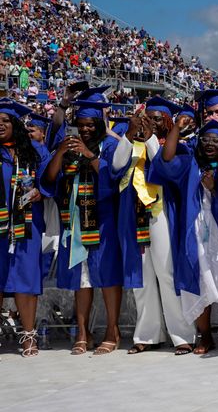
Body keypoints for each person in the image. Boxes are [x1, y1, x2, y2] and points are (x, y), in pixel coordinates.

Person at [153, 116, 218, 355]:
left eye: (217, 140)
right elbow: (166, 159)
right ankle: (205, 336)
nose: (210, 144)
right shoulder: (189, 165)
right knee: (199, 280)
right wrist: (176, 128)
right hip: (195, 231)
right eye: (206, 139)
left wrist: (214, 187)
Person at [113, 96, 196, 355]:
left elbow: (164, 168)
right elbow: (116, 166)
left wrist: (150, 138)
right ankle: (147, 334)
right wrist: (129, 135)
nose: (152, 122)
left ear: (168, 122)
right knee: (142, 275)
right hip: (133, 214)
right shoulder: (133, 143)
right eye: (148, 118)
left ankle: (182, 334)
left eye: (158, 119)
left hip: (162, 213)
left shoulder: (179, 147)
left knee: (167, 272)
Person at [41, 99, 124, 355]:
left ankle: (112, 330)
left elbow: (115, 180)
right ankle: (82, 331)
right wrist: (61, 152)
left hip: (103, 218)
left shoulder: (109, 146)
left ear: (100, 124)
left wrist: (90, 156)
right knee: (81, 278)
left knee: (108, 275)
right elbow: (50, 179)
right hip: (74, 218)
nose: (85, 130)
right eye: (81, 125)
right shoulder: (66, 144)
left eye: (90, 125)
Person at [0, 100, 50, 357]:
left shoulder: (33, 150)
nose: (0, 124)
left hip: (26, 225)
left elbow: (50, 177)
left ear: (16, 125)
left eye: (6, 120)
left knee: (26, 281)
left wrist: (40, 191)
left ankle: (28, 336)